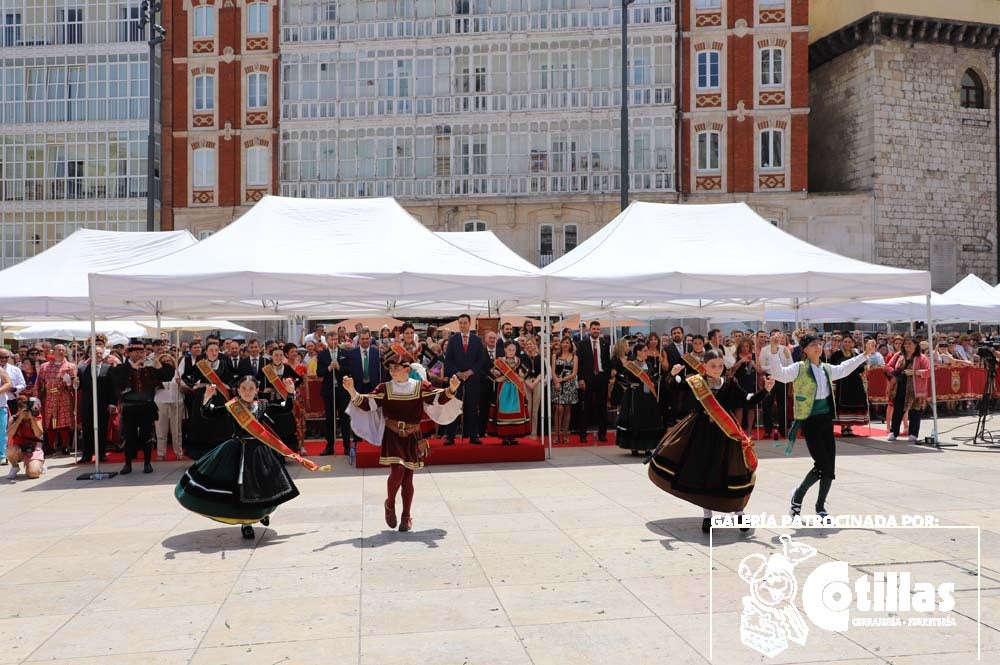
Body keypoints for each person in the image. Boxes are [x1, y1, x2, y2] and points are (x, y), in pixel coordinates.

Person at [175, 375, 325, 539]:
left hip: (260, 450)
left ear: (257, 390)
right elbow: (209, 414)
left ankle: (262, 513)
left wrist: (290, 393)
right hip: (238, 450)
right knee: (242, 487)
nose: (247, 392)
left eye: (251, 388)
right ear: (238, 390)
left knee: (264, 484)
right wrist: (207, 398)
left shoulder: (262, 405)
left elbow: (285, 408)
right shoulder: (232, 406)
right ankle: (246, 523)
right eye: (244, 388)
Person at [649, 351, 774, 533]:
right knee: (703, 472)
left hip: (726, 433)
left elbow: (748, 399)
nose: (717, 369)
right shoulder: (697, 382)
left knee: (732, 472)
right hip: (700, 433)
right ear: (705, 366)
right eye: (713, 366)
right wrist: (673, 375)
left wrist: (766, 390)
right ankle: (708, 516)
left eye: (720, 366)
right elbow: (675, 387)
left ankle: (739, 513)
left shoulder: (730, 383)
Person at [345, 353, 463, 532]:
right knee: (398, 470)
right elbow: (367, 404)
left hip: (413, 435)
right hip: (392, 434)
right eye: (390, 368)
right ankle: (390, 503)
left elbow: (438, 399)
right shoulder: (384, 388)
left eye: (396, 368)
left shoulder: (420, 386)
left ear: (408, 369)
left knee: (408, 478)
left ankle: (406, 516)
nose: (392, 371)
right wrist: (352, 391)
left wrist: (452, 389)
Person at [766, 335, 878, 521]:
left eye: (819, 344)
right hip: (810, 420)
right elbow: (779, 375)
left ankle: (820, 507)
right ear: (805, 350)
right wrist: (774, 349)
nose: (817, 347)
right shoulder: (799, 368)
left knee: (829, 468)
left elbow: (844, 368)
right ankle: (798, 496)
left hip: (826, 420)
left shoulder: (826, 368)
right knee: (822, 465)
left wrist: (865, 354)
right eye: (812, 344)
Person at [109, 340, 175, 474]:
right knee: (129, 436)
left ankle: (147, 463)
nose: (140, 355)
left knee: (147, 435)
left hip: (147, 405)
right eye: (137, 352)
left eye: (142, 352)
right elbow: (115, 381)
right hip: (129, 406)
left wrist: (158, 366)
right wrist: (132, 368)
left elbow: (168, 376)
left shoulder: (149, 366)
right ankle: (127, 464)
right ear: (129, 353)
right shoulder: (121, 367)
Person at [180, 340, 235, 460]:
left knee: (221, 422)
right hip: (204, 395)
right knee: (203, 422)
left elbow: (234, 377)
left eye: (216, 350)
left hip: (220, 396)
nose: (214, 352)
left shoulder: (224, 363)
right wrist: (196, 385)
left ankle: (221, 451)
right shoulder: (201, 364)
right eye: (211, 350)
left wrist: (227, 386)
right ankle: (203, 454)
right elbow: (186, 376)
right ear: (206, 352)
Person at [615, 342, 665, 456]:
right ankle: (634, 446)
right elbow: (619, 376)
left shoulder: (649, 364)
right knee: (635, 420)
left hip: (648, 396)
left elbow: (652, 378)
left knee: (648, 420)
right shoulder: (631, 365)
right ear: (638, 352)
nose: (647, 353)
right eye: (645, 350)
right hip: (635, 396)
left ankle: (647, 447)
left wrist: (656, 377)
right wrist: (629, 384)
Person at [444, 314, 486, 445]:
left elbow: (481, 360)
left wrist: (471, 371)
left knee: (472, 407)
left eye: (465, 323)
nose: (462, 325)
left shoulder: (477, 340)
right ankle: (450, 436)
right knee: (454, 406)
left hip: (473, 378)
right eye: (460, 323)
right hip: (457, 379)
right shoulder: (453, 339)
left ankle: (473, 435)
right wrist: (458, 372)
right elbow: (448, 360)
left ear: (469, 323)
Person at [77, 342, 117, 464]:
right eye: (96, 353)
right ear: (90, 355)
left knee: (102, 429)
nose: (98, 355)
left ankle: (101, 453)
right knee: (87, 430)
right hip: (88, 404)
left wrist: (112, 403)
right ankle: (87, 454)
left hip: (103, 403)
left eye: (100, 353)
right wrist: (73, 383)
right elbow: (79, 387)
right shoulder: (82, 369)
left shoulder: (108, 368)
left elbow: (113, 388)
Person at [260, 345, 302, 457]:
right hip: (270, 401)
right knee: (272, 424)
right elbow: (257, 382)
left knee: (285, 424)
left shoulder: (287, 368)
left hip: (284, 400)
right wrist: (264, 391)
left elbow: (299, 379)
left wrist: (290, 388)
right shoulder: (266, 369)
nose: (278, 357)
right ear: (271, 356)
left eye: (280, 355)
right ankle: (273, 450)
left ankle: (287, 451)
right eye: (276, 355)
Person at [886, 338, 930, 443]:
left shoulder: (921, 357)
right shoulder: (898, 355)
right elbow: (888, 366)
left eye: (909, 344)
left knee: (915, 411)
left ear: (915, 345)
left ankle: (913, 434)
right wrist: (894, 372)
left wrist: (914, 372)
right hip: (900, 387)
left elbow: (928, 371)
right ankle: (893, 432)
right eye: (905, 344)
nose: (907, 346)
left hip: (915, 389)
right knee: (898, 411)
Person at [36, 344, 77, 456]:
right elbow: (39, 382)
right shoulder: (45, 366)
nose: (61, 352)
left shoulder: (70, 366)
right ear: (53, 352)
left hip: (64, 396)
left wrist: (69, 382)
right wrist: (37, 397)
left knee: (64, 422)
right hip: (49, 396)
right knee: (49, 423)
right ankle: (50, 446)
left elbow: (75, 385)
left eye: (63, 350)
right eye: (58, 350)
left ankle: (65, 446)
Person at [488, 341, 531, 445]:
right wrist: (497, 376)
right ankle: (504, 436)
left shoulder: (519, 361)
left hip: (516, 390)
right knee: (504, 412)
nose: (511, 352)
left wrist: (521, 376)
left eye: (513, 350)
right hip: (503, 389)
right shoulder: (499, 361)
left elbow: (525, 373)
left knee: (516, 413)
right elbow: (491, 373)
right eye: (509, 349)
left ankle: (513, 436)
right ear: (505, 350)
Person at [575, 321, 611, 442]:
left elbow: (607, 361)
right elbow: (579, 363)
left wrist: (607, 376)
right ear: (590, 330)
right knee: (586, 407)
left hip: (601, 378)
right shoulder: (582, 344)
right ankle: (583, 434)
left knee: (602, 407)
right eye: (594, 329)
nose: (596, 331)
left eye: (598, 329)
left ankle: (602, 434)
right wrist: (580, 379)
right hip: (587, 378)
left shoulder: (605, 343)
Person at [829, 336, 869, 437]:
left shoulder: (856, 354)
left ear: (852, 343)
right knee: (843, 402)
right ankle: (843, 427)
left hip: (855, 381)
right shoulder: (837, 354)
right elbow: (832, 367)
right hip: (842, 382)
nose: (847, 343)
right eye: (845, 341)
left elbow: (860, 368)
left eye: (849, 342)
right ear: (842, 343)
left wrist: (864, 367)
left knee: (854, 402)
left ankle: (849, 426)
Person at [758, 331, 792, 440]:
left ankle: (783, 429)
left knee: (783, 404)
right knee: (767, 404)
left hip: (782, 379)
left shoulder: (785, 349)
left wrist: (787, 357)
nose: (778, 340)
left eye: (781, 338)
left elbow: (790, 365)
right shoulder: (765, 350)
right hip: (770, 378)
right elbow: (762, 366)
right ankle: (768, 430)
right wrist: (774, 368)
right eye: (776, 338)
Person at [5, 395, 45, 480]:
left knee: (33, 474)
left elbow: (38, 434)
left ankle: (38, 464)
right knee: (10, 450)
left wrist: (32, 419)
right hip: (19, 448)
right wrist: (20, 419)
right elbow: (9, 434)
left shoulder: (36, 416)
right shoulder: (14, 418)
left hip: (33, 447)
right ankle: (15, 467)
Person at [154, 352, 184, 461]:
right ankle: (161, 453)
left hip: (176, 401)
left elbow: (185, 386)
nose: (167, 363)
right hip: (161, 401)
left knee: (177, 430)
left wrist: (181, 383)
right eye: (164, 361)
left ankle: (178, 452)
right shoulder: (156, 372)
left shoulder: (178, 372)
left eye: (169, 361)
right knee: (161, 430)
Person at [551, 337, 579, 444]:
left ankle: (565, 434)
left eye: (567, 342)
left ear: (570, 345)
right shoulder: (555, 356)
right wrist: (556, 381)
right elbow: (552, 370)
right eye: (563, 342)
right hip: (557, 384)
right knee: (558, 409)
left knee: (567, 410)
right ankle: (557, 435)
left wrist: (562, 380)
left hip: (569, 384)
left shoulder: (574, 357)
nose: (565, 344)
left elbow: (574, 373)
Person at [730, 339, 760, 436]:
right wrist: (740, 361)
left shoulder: (754, 356)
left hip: (751, 384)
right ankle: (739, 431)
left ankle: (749, 431)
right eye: (743, 346)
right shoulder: (735, 355)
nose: (745, 348)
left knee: (751, 408)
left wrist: (753, 364)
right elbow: (732, 369)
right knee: (739, 408)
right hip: (739, 384)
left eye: (747, 346)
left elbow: (760, 370)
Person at [520, 337, 545, 438]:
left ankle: (534, 433)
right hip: (526, 382)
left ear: (535, 345)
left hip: (537, 382)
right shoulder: (523, 358)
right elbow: (520, 372)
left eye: (531, 343)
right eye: (527, 344)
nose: (529, 345)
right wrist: (527, 382)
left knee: (535, 410)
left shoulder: (540, 357)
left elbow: (542, 372)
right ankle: (527, 431)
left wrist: (535, 383)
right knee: (528, 409)